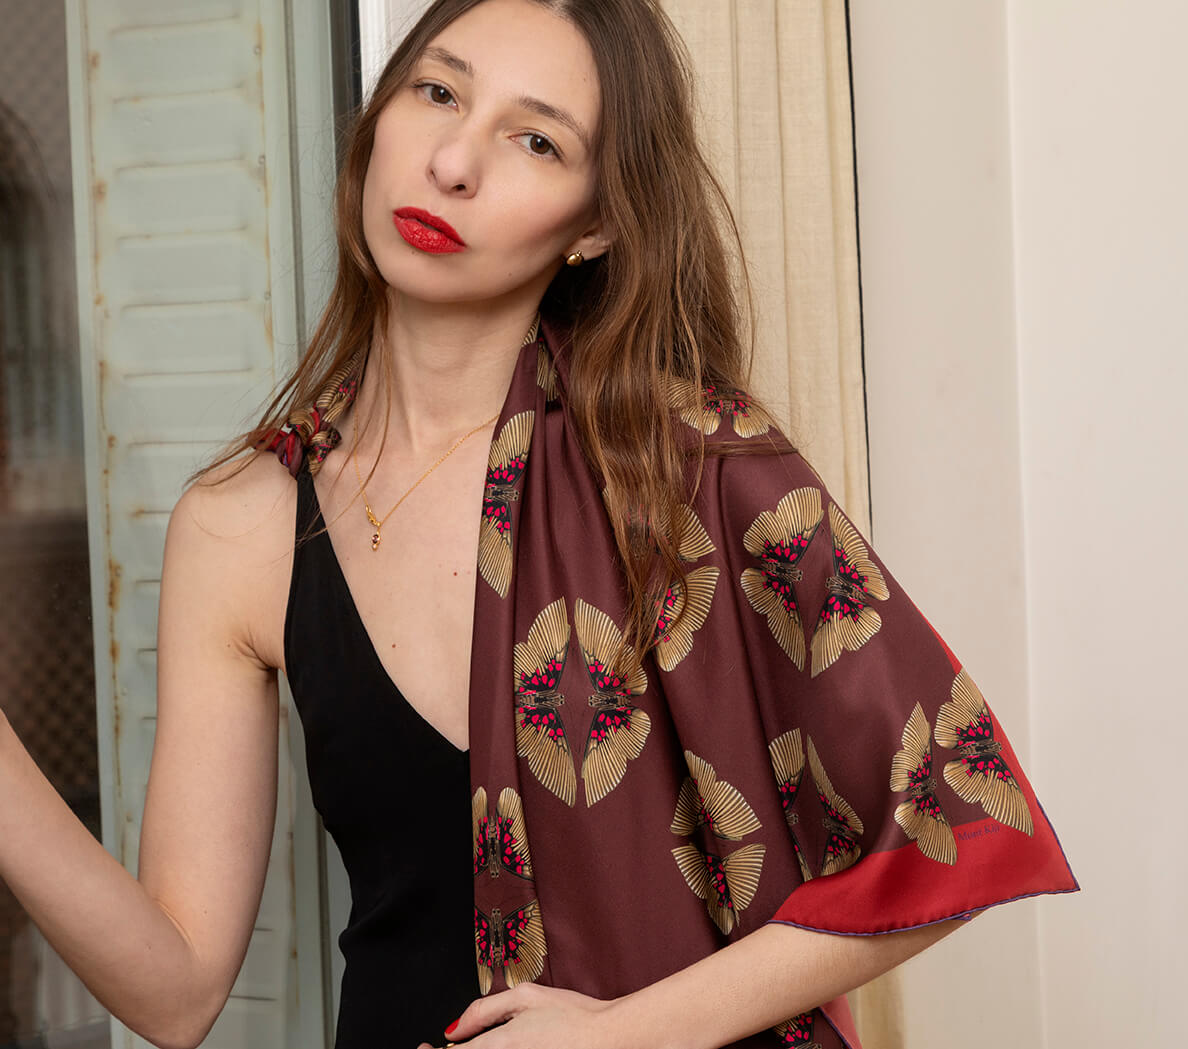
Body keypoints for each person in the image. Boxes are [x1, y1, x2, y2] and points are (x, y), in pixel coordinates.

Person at [0, 1, 1077, 1047]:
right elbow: (177, 987)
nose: (453, 163)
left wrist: (631, 1034)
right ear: (377, 121)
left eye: (534, 140)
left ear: (595, 225)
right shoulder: (237, 523)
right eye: (435, 94)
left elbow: (961, 821)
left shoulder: (678, 463)